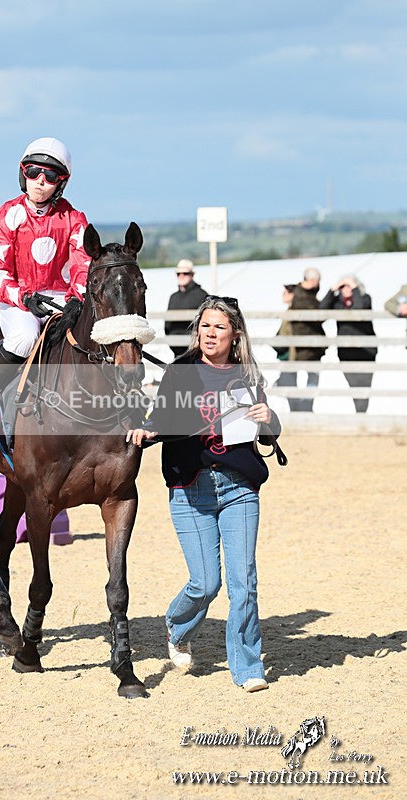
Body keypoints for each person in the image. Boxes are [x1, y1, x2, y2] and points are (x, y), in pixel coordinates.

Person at [127, 296, 282, 693]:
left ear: (235, 334)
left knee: (243, 582)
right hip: (191, 489)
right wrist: (148, 430)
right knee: (206, 583)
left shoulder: (247, 375)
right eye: (205, 326)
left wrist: (270, 419)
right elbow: (163, 417)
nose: (210, 333)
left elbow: (267, 432)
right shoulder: (180, 372)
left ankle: (248, 667)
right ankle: (177, 629)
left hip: (239, 488)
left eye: (219, 327)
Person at [0, 136, 90, 432]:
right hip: (19, 302)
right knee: (23, 338)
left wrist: (76, 299)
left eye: (50, 176)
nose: (40, 181)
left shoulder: (74, 219)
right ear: (23, 174)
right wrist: (24, 298)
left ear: (61, 183)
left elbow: (83, 265)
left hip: (62, 300)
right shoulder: (3, 218)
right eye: (33, 172)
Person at [319, 275, 377, 413]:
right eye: (343, 286)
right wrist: (332, 290)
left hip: (366, 351)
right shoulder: (337, 303)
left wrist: (354, 288)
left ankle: (361, 414)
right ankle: (360, 414)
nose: (346, 289)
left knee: (364, 386)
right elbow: (321, 310)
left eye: (349, 286)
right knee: (354, 386)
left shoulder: (365, 298)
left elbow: (358, 309)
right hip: (346, 351)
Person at [289, 268, 326, 412]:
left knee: (310, 377)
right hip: (306, 344)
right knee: (310, 377)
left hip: (309, 344)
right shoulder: (302, 296)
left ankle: (304, 407)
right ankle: (304, 407)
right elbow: (317, 315)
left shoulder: (304, 293)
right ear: (313, 280)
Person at [165, 259, 208, 358]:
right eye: (178, 273)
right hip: (176, 350)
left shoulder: (201, 295)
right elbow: (167, 325)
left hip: (196, 351)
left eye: (185, 273)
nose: (181, 276)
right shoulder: (173, 297)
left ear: (192, 275)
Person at [273, 284, 297, 408]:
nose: (283, 295)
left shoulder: (294, 311)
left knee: (288, 383)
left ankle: (295, 410)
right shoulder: (289, 310)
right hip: (286, 353)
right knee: (288, 382)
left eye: (286, 292)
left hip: (290, 354)